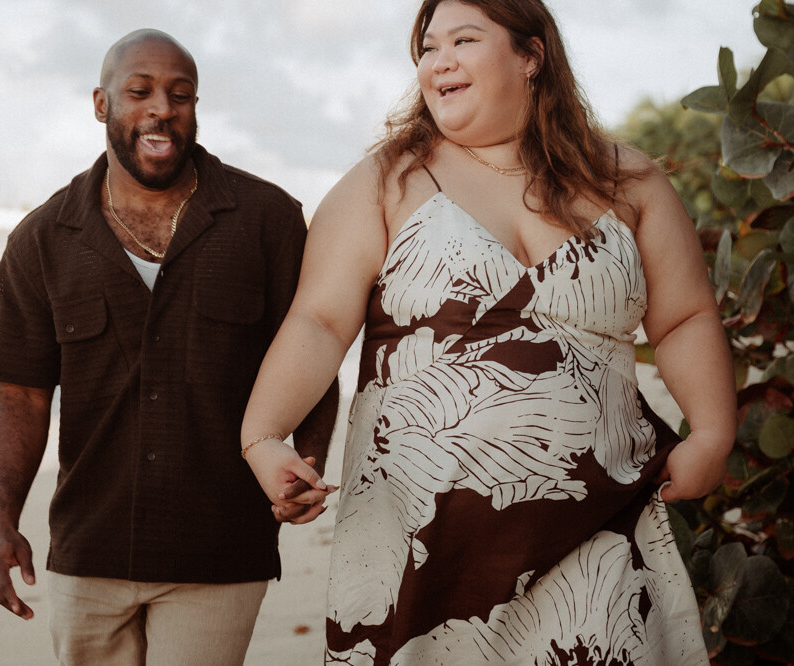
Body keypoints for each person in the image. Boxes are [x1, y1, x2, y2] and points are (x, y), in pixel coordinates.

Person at [239, 0, 736, 663]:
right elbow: (319, 322)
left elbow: (683, 318)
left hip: (602, 529)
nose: (439, 61)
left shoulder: (627, 181)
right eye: (428, 47)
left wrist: (712, 434)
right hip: (424, 552)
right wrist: (264, 435)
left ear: (530, 56)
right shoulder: (385, 183)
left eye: (463, 41)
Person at [0, 29, 338, 665]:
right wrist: (3, 522)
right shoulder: (43, 238)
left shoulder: (267, 219)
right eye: (139, 92)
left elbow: (314, 352)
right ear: (102, 104)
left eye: (180, 95)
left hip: (220, 549)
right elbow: (23, 394)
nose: (162, 109)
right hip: (90, 550)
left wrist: (307, 460)